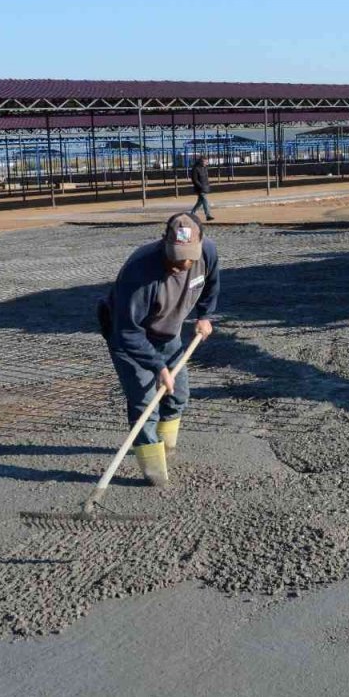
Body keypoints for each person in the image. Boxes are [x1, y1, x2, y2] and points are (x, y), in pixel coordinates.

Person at [99, 212, 219, 485]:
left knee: (178, 394)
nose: (183, 263)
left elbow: (211, 285)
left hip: (167, 332)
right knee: (144, 405)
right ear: (164, 242)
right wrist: (159, 367)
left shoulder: (207, 253)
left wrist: (205, 315)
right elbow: (128, 332)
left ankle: (166, 448)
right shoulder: (139, 272)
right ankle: (154, 473)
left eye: (189, 256)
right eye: (176, 255)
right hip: (127, 336)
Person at [189, 154, 215, 221]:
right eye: (205, 162)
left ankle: (192, 214)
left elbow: (206, 178)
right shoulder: (195, 169)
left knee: (199, 202)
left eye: (207, 162)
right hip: (199, 188)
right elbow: (195, 180)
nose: (207, 163)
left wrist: (207, 186)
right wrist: (201, 186)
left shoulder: (204, 168)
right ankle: (208, 215)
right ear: (201, 161)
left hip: (205, 187)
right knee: (205, 201)